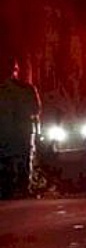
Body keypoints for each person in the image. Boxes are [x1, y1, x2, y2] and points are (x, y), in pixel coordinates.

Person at [0, 57, 42, 199]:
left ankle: (10, 189)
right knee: (23, 160)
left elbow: (36, 109)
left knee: (9, 160)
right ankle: (22, 187)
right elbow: (36, 109)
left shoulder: (23, 89)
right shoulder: (27, 89)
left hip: (8, 131)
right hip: (21, 130)